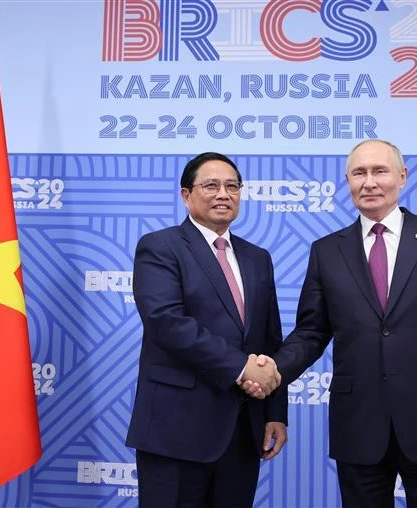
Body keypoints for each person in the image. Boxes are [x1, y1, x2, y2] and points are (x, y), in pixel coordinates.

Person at [246, 140, 417, 507]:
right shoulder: (327, 250)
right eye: (359, 173)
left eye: (379, 171)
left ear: (402, 176)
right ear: (347, 180)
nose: (369, 182)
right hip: (358, 423)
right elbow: (312, 332)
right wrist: (274, 368)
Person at [126, 152, 288, 507]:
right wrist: (241, 367)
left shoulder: (257, 257)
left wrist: (275, 412)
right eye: (211, 185)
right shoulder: (160, 246)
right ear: (186, 195)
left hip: (242, 430)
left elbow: (269, 340)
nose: (223, 194)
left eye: (232, 186)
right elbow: (166, 322)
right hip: (175, 430)